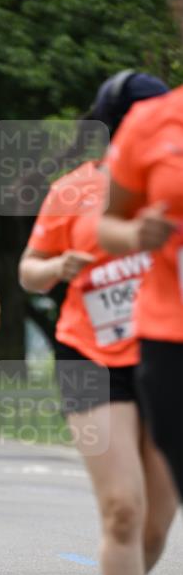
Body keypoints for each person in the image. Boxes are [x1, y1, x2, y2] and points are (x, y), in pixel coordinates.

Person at [19, 70, 177, 575]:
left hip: (162, 354)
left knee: (157, 523)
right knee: (123, 507)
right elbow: (29, 272)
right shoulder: (73, 191)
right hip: (88, 355)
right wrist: (58, 265)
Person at [98, 83, 183, 501]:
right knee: (126, 506)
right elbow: (108, 224)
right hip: (161, 336)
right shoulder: (153, 121)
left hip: (140, 339)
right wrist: (136, 233)